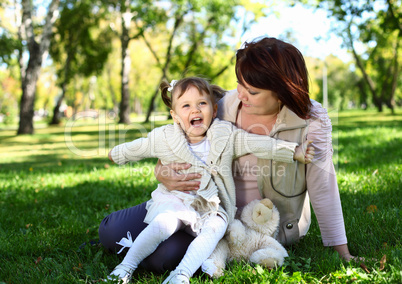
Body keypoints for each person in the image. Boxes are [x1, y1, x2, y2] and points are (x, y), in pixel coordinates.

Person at [104, 76, 314, 283]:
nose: (195, 110)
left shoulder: (225, 136)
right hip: (176, 200)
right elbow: (140, 146)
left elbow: (258, 143)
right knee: (164, 224)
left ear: (214, 110)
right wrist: (117, 154)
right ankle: (125, 267)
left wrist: (294, 151)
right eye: (186, 106)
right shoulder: (165, 137)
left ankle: (182, 273)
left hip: (211, 206)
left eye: (201, 104)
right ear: (175, 116)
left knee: (215, 228)